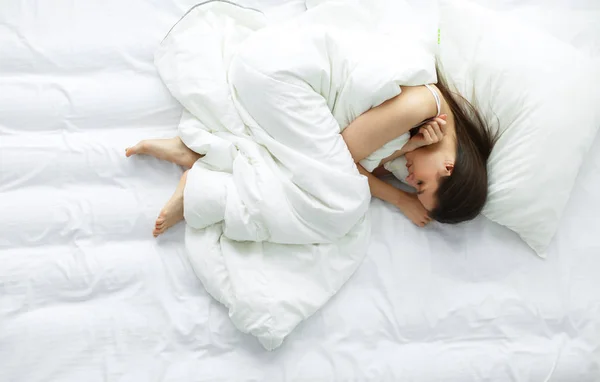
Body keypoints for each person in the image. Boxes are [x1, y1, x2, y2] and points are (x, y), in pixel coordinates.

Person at [126, 67, 496, 237]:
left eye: (413, 186)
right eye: (421, 184)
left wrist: (406, 150)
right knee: (338, 207)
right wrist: (399, 200)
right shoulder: (421, 109)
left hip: (280, 84)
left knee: (317, 181)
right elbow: (341, 158)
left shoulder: (429, 129)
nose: (410, 179)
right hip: (280, 78)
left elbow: (355, 160)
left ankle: (196, 155)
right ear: (449, 167)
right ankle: (202, 184)